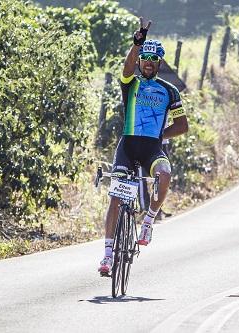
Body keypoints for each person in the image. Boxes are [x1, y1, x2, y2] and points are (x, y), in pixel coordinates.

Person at [99, 18, 189, 275]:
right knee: (116, 199)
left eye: (152, 60)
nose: (148, 63)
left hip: (152, 148)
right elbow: (127, 67)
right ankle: (107, 256)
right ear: (140, 62)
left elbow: (182, 126)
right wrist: (136, 44)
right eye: (144, 59)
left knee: (165, 174)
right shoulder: (131, 83)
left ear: (159, 63)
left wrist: (160, 137)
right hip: (127, 146)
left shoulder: (170, 91)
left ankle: (148, 221)